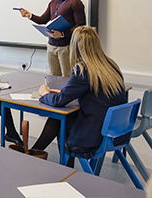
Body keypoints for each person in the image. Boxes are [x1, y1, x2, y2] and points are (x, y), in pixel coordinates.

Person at [31, 26, 127, 167]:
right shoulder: (110, 65)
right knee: (59, 119)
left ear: (75, 46)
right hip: (117, 131)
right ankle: (35, 154)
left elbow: (58, 101)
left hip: (96, 134)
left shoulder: (83, 70)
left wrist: (45, 93)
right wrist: (66, 94)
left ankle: (32, 154)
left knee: (59, 119)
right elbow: (95, 95)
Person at [19, 0, 86, 77]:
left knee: (67, 76)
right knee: (53, 76)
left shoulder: (75, 3)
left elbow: (81, 26)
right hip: (51, 46)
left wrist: (62, 34)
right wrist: (29, 15)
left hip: (66, 47)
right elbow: (44, 19)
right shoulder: (53, 2)